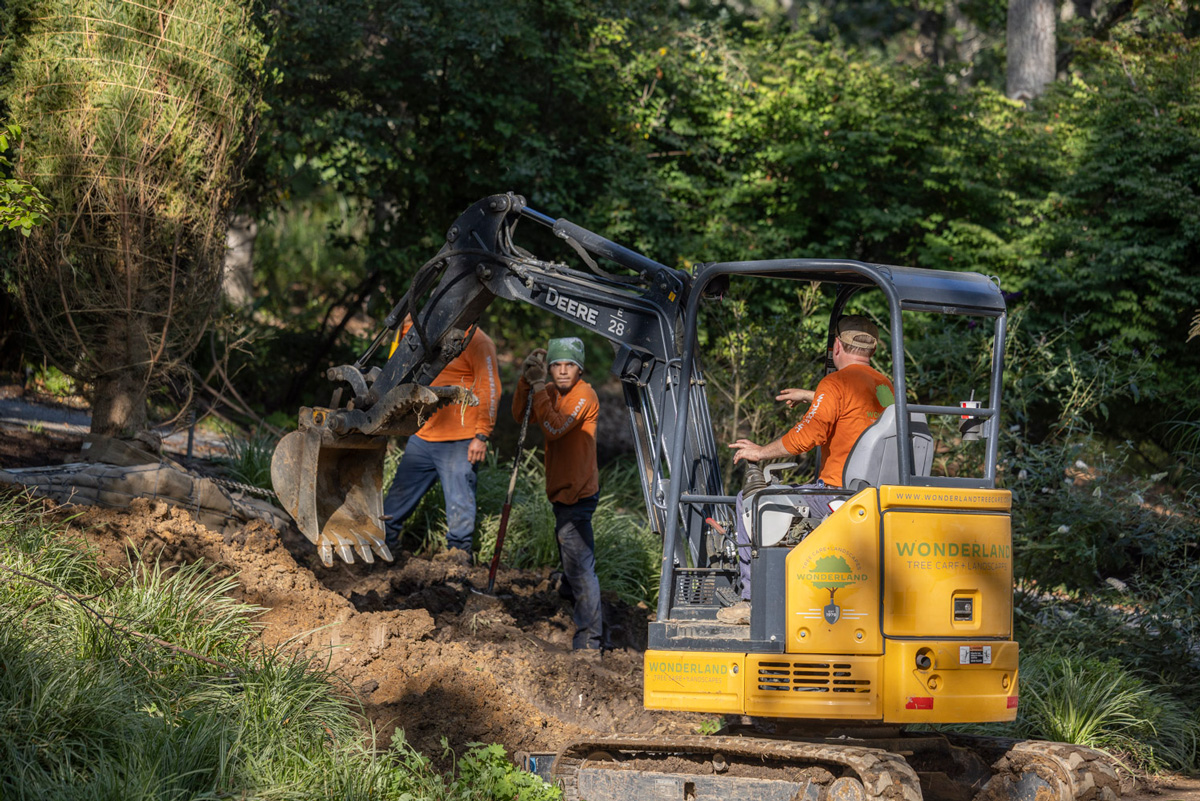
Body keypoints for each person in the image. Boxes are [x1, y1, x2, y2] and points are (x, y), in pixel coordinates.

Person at [720, 315, 895, 623]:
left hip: (834, 495)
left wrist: (760, 452)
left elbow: (808, 436)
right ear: (873, 350)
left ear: (837, 345)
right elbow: (855, 411)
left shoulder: (836, 382)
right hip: (873, 497)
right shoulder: (885, 386)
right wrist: (811, 397)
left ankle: (751, 601)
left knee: (751, 501)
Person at [382, 320, 501, 566]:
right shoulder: (427, 330)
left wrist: (481, 435)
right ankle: (383, 548)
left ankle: (457, 559)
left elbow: (489, 389)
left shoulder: (477, 341)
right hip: (423, 435)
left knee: (459, 503)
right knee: (398, 496)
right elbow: (400, 354)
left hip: (460, 439)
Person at [513, 337, 603, 652]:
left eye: (569, 365)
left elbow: (552, 428)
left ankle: (590, 640)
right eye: (556, 365)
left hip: (578, 493)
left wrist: (538, 388)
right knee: (572, 557)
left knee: (580, 567)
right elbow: (519, 415)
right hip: (561, 491)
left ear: (580, 368)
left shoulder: (584, 395)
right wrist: (527, 382)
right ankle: (567, 595)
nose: (562, 371)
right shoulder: (549, 391)